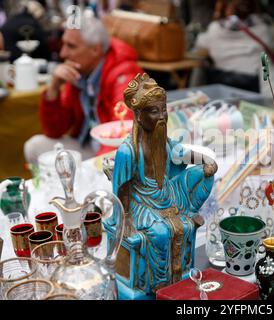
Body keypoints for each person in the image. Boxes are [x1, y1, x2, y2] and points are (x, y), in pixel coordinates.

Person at [109, 73, 217, 298]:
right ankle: (158, 283)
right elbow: (121, 189)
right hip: (140, 202)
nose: (162, 116)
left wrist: (206, 161)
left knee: (203, 175)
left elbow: (183, 155)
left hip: (168, 193)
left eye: (164, 109)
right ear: (139, 115)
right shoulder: (128, 151)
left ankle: (189, 212)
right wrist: (126, 219)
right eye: (154, 111)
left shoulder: (163, 141)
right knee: (159, 232)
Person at [24, 14, 143, 165]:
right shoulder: (80, 72)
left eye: (71, 46)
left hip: (117, 156)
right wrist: (53, 87)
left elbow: (124, 136)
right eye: (63, 44)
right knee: (34, 146)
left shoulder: (125, 75)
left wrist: (95, 168)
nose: (63, 53)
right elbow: (54, 130)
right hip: (91, 149)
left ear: (95, 50)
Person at [192, 0, 274, 97]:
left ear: (227, 7)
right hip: (269, 94)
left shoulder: (214, 30)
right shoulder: (264, 29)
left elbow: (199, 44)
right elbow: (273, 46)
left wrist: (217, 17)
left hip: (229, 96)